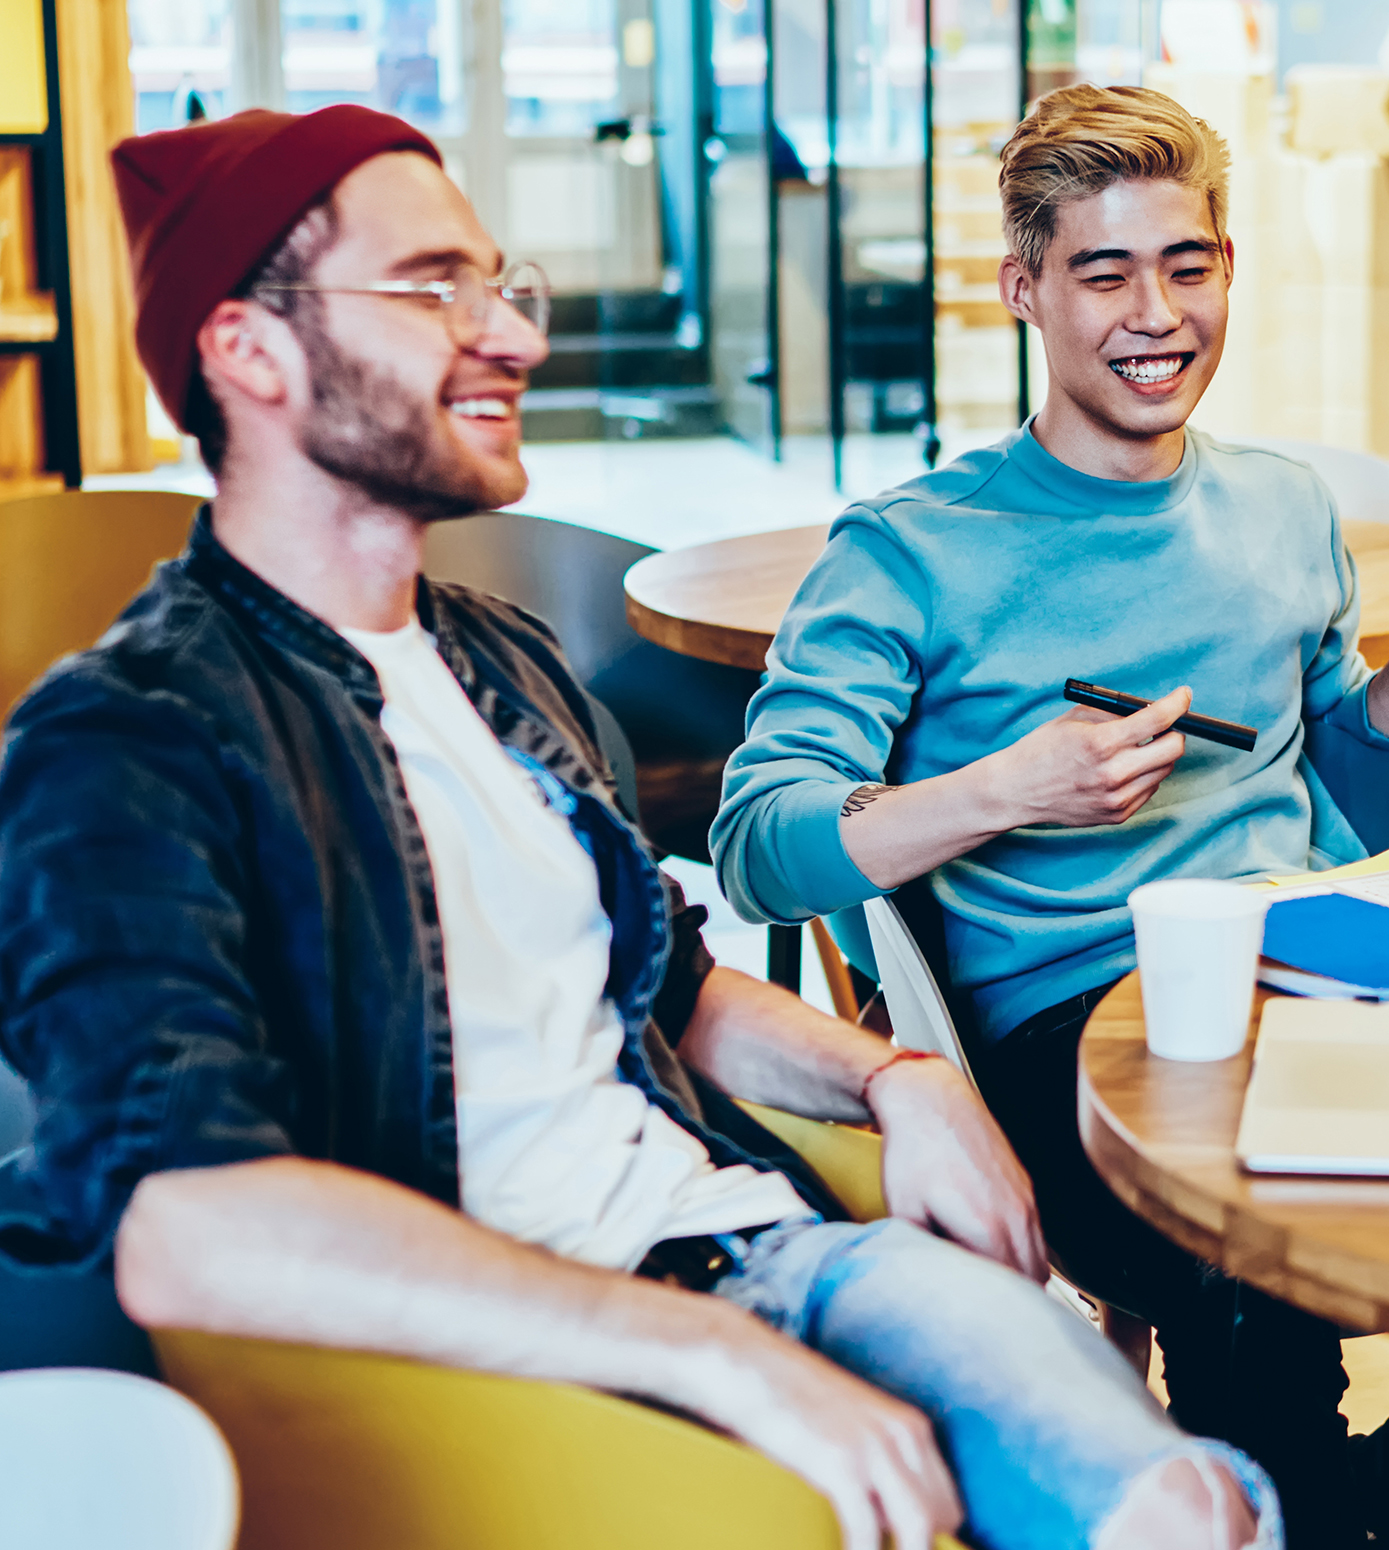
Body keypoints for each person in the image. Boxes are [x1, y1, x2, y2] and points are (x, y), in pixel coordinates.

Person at [0, 105, 1277, 1550]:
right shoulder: (127, 740)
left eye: (504, 286)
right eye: (435, 290)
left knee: (1185, 1506)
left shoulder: (498, 656)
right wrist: (714, 1353)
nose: (512, 337)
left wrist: (900, 1077)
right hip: (485, 1367)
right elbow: (184, 1225)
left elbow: (670, 982)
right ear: (248, 348)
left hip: (749, 1246)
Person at [709, 83, 1389, 1550]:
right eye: (1104, 271)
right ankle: (1339, 1510)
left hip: (1327, 970)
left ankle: (1349, 1519)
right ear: (1024, 287)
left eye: (1188, 265)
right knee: (1259, 1255)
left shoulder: (1282, 508)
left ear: (1227, 266)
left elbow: (1329, 759)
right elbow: (760, 847)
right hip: (1080, 1044)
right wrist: (1003, 788)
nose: (1158, 314)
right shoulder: (907, 551)